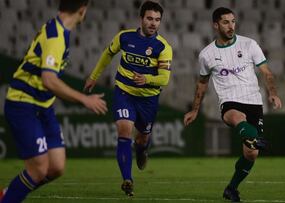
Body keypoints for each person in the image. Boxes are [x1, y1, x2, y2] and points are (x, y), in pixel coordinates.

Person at [0, 0, 108, 202]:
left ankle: (11, 192)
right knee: (39, 169)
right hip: (24, 102)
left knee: (56, 167)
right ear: (82, 10)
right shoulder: (56, 36)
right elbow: (49, 80)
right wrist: (84, 99)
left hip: (43, 106)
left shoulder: (58, 28)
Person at [183, 7, 282, 202]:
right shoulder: (207, 54)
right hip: (229, 101)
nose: (231, 26)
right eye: (226, 22)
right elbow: (202, 83)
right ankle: (252, 138)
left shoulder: (249, 44)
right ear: (216, 25)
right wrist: (195, 110)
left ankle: (231, 188)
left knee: (251, 154)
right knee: (237, 118)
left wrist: (273, 93)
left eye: (233, 21)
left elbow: (267, 72)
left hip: (254, 101)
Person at [83, 1, 172, 197]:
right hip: (124, 93)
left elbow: (164, 78)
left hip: (148, 100)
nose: (153, 23)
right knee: (124, 129)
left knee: (142, 139)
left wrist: (147, 78)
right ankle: (127, 179)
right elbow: (108, 53)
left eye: (157, 20)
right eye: (150, 18)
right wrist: (93, 77)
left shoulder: (163, 47)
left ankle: (141, 151)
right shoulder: (124, 37)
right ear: (141, 18)